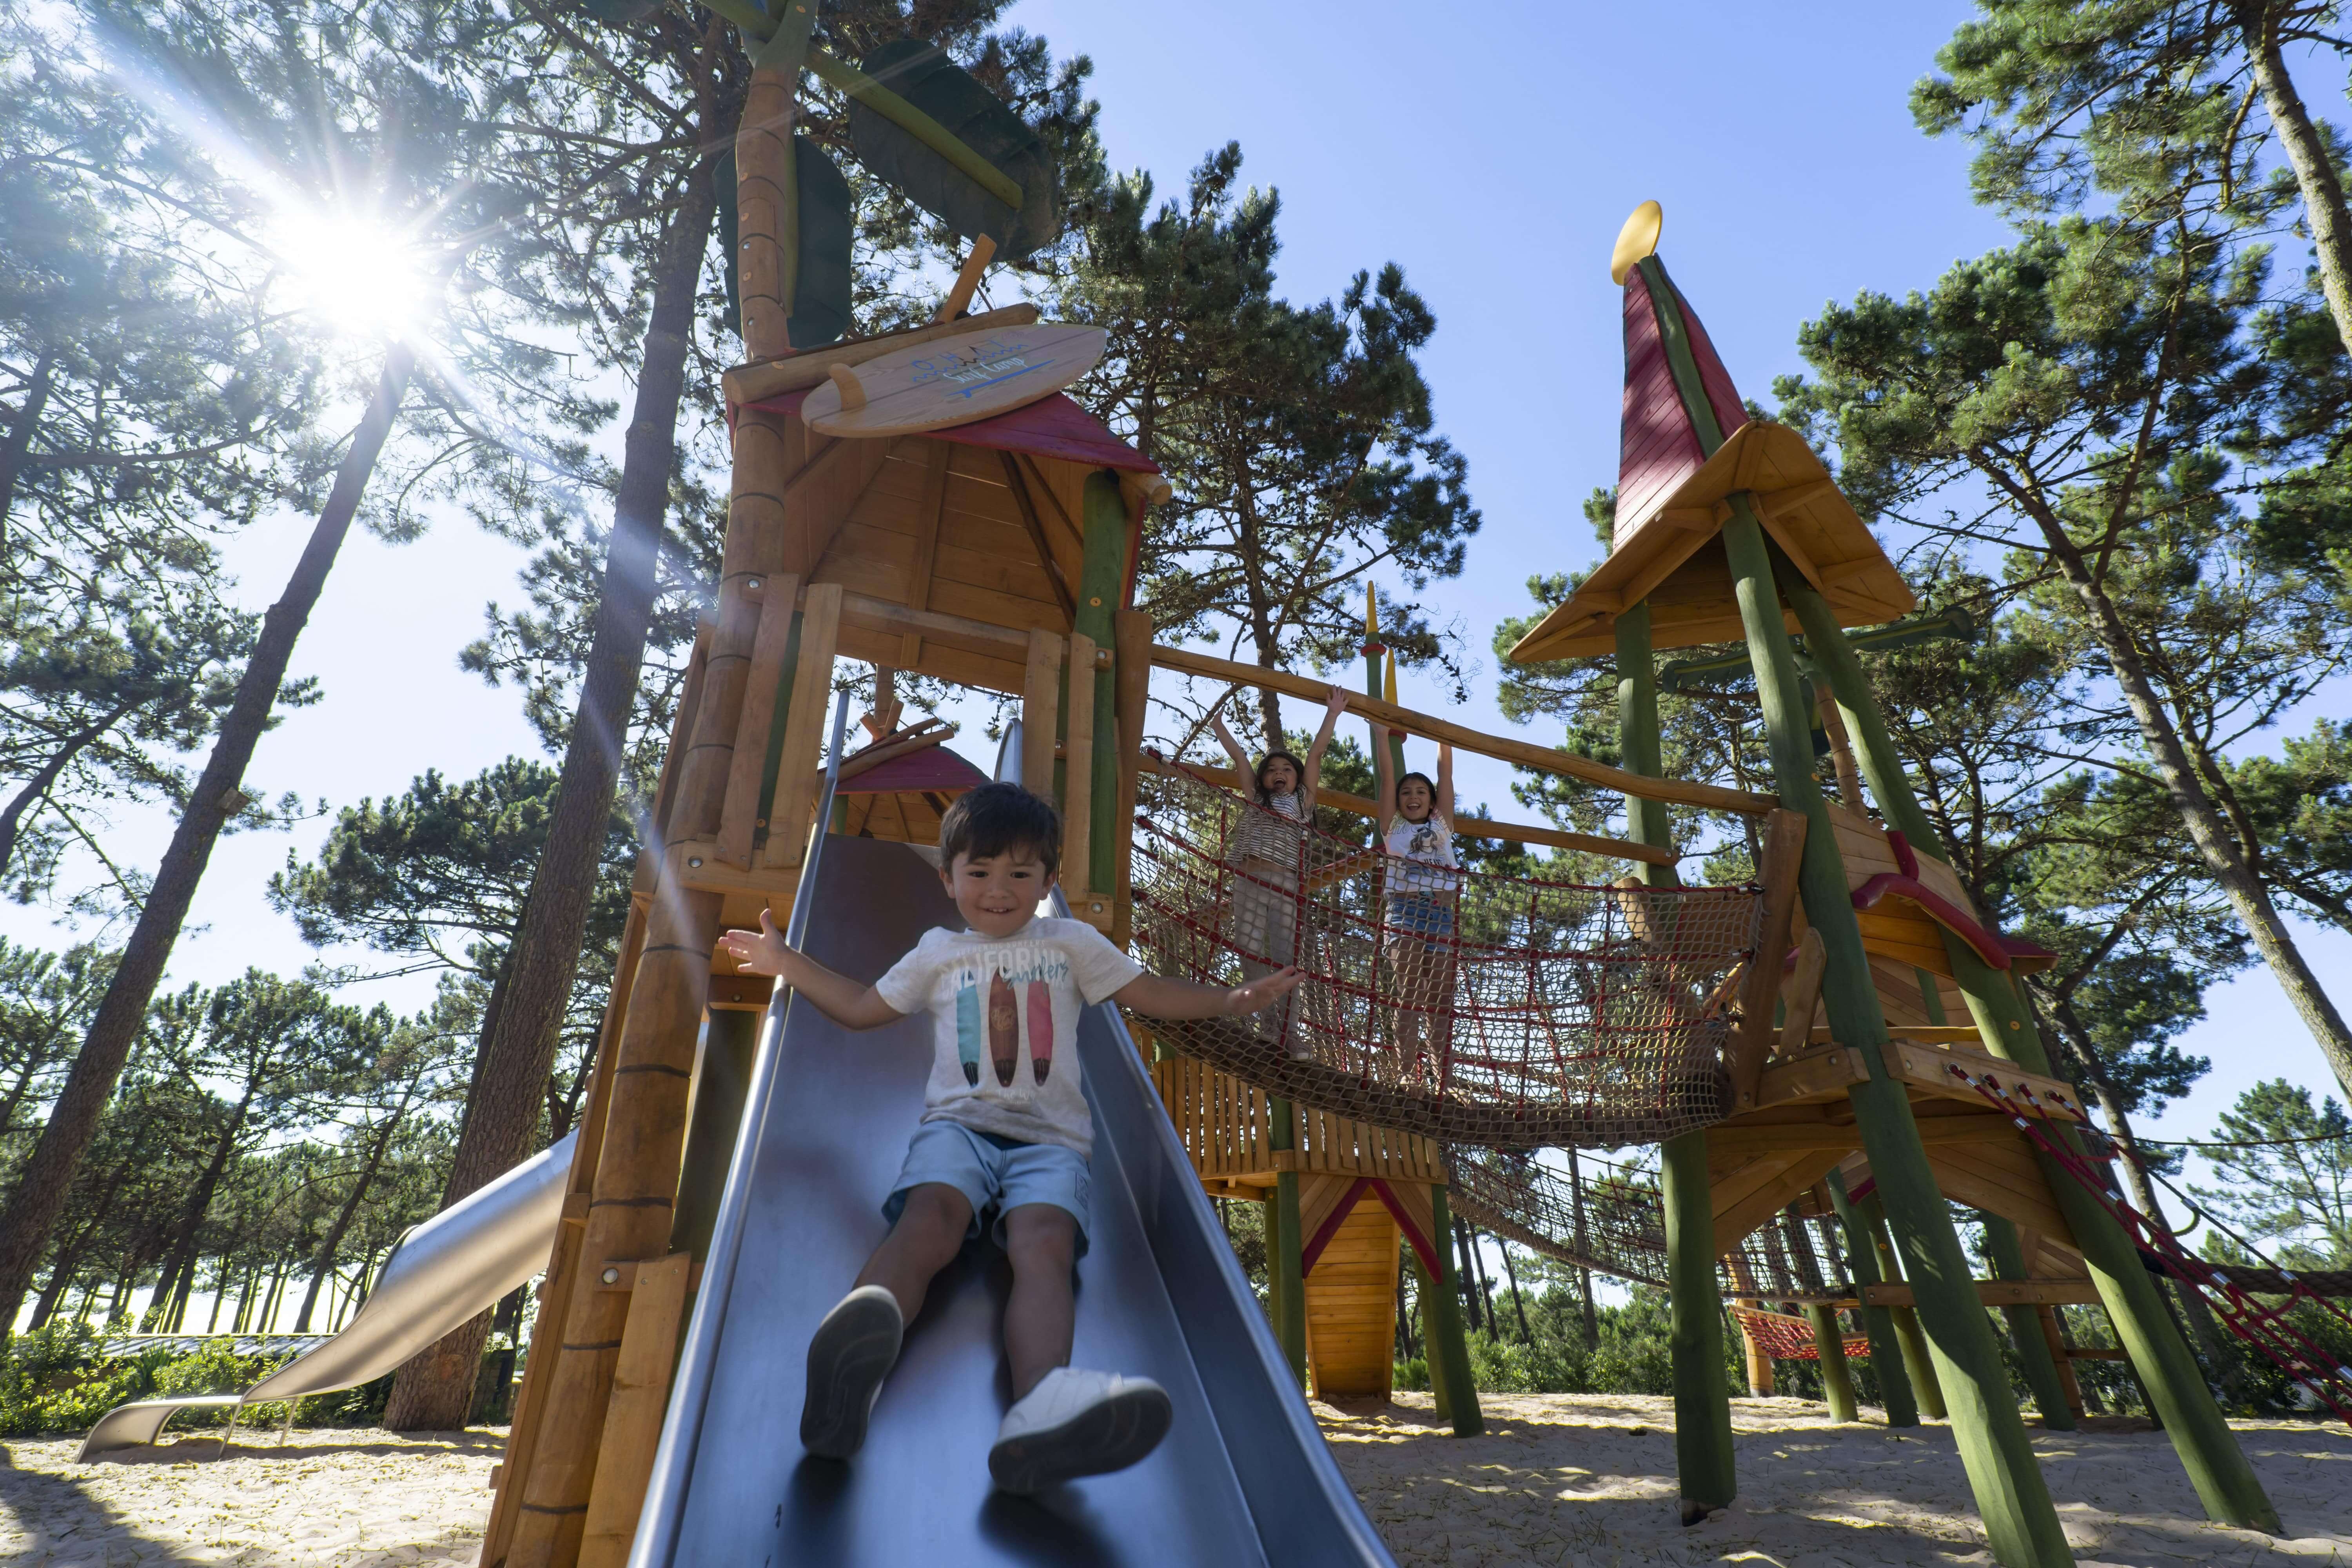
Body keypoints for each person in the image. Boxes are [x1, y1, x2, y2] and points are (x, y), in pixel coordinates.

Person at [717, 782, 1303, 1494]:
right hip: (958, 1129)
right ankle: (854, 1358)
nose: (999, 891)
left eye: (1022, 875)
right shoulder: (938, 950)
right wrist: (789, 964)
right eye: (981, 872)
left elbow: (1148, 993)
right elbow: (863, 1007)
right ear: (948, 877)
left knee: (1044, 1246)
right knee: (930, 1220)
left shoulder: (1070, 942)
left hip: (1051, 1143)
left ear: (1048, 882)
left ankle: (1039, 1413)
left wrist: (1229, 1001)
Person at [1209, 685, 1350, 1057]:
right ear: (1264, 779)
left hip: (1284, 883)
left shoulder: (1302, 803)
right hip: (1248, 880)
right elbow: (1239, 757)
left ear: (1297, 777)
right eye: (1271, 770)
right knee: (1250, 951)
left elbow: (1317, 753)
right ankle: (1267, 1027)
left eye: (1287, 769)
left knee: (1286, 959)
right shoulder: (1257, 799)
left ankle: (1292, 1034)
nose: (1279, 774)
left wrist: (1332, 713)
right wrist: (1219, 727)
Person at [1370, 722, 1461, 1079]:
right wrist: (1381, 737)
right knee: (1410, 991)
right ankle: (1407, 1072)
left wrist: (1445, 737)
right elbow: (1386, 779)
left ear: (1431, 800)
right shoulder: (1393, 827)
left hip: (1440, 913)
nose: (1413, 796)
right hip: (1405, 910)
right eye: (1407, 792)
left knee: (1440, 1001)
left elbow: (1446, 776)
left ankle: (1443, 1076)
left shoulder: (1442, 825)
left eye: (1421, 791)